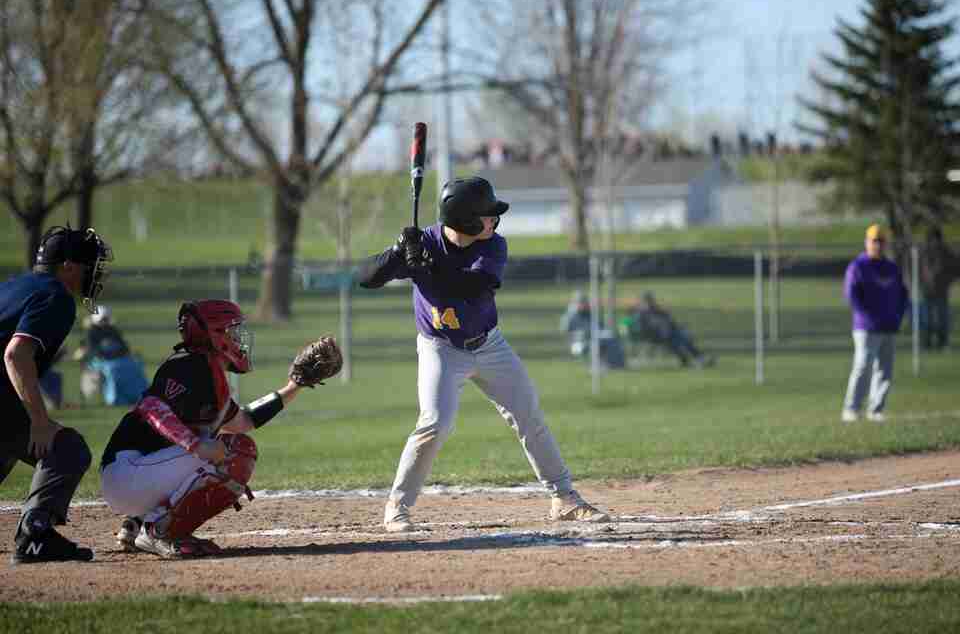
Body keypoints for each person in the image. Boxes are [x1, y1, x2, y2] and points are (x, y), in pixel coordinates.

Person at [358, 176, 610, 533]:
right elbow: (365, 277)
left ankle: (564, 498)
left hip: (490, 345)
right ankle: (397, 507)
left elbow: (473, 288)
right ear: (466, 220)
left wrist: (426, 268)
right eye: (487, 215)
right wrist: (397, 254)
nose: (494, 219)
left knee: (528, 414)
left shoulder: (493, 246)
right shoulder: (423, 244)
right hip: (440, 348)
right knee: (435, 423)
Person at [99, 300, 341, 558]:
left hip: (136, 476)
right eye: (232, 331)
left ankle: (138, 523)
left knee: (227, 443)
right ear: (213, 335)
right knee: (236, 451)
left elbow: (243, 421)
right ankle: (159, 531)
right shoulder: (189, 365)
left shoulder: (207, 372)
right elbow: (151, 407)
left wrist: (294, 386)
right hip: (127, 472)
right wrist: (195, 445)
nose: (238, 338)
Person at [0, 225, 113, 564]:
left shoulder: (14, 285)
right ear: (68, 266)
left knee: (6, 444)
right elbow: (16, 355)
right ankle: (35, 536)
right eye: (88, 266)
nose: (92, 274)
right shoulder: (56, 295)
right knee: (67, 449)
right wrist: (39, 421)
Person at [841, 224, 909, 423]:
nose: (877, 244)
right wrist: (866, 315)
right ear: (866, 242)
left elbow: (903, 294)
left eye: (880, 241)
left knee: (885, 370)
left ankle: (876, 409)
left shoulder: (891, 268)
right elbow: (851, 295)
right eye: (874, 241)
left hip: (888, 326)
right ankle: (851, 409)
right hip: (866, 327)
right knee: (862, 366)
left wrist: (898, 316)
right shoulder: (858, 266)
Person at [73, 305, 149, 405]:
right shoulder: (92, 332)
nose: (104, 322)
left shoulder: (113, 330)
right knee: (113, 369)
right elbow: (94, 351)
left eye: (106, 319)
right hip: (98, 362)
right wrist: (110, 354)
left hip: (117, 359)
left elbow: (124, 347)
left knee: (135, 365)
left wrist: (116, 353)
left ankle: (139, 395)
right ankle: (114, 399)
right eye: (102, 319)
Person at [623, 291, 714, 368]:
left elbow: (670, 321)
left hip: (668, 333)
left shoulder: (658, 310)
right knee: (675, 339)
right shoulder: (640, 314)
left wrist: (672, 326)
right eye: (647, 301)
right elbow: (640, 327)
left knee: (683, 338)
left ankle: (697, 358)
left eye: (651, 300)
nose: (650, 303)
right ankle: (693, 359)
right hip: (655, 336)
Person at [919, 228, 958, 351]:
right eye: (932, 240)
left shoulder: (946, 253)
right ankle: (926, 343)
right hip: (926, 290)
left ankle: (942, 343)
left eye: (936, 240)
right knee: (927, 318)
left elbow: (956, 268)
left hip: (941, 290)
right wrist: (922, 281)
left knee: (942, 318)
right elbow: (917, 268)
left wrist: (948, 281)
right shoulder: (924, 252)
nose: (934, 243)